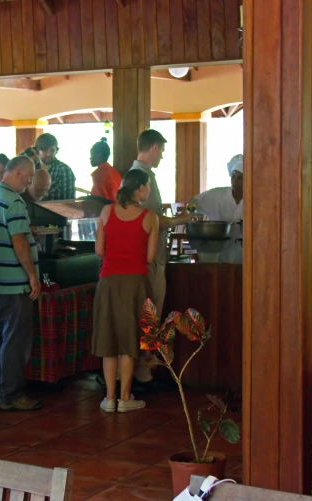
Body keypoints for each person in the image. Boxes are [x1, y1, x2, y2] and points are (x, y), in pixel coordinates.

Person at [93, 169, 159, 412]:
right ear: (140, 188)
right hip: (136, 282)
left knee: (109, 339)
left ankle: (109, 398)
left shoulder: (106, 211)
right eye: (148, 186)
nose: (149, 190)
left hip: (108, 281)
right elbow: (150, 257)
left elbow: (99, 251)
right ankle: (125, 397)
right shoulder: (150, 217)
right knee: (130, 339)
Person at [0, 155, 43, 411]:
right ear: (17, 172)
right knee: (15, 340)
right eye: (28, 178)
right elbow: (18, 242)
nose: (29, 183)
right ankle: (11, 395)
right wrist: (32, 275)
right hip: (14, 281)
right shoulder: (14, 200)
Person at [129, 129, 190, 388]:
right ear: (154, 148)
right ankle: (143, 372)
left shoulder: (139, 176)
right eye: (162, 151)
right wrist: (182, 220)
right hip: (149, 259)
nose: (162, 157)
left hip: (149, 257)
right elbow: (148, 219)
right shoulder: (141, 178)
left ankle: (144, 369)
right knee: (149, 315)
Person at [187, 154, 244, 263]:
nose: (235, 181)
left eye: (240, 178)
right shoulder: (218, 195)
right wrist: (191, 208)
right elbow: (194, 203)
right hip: (220, 253)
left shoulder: (255, 200)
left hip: (245, 255)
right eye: (233, 176)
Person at [35, 133, 76, 200]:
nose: (48, 154)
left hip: (54, 209)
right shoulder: (32, 169)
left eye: (52, 150)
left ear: (56, 150)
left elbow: (69, 201)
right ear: (37, 151)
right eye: (45, 150)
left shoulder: (64, 170)